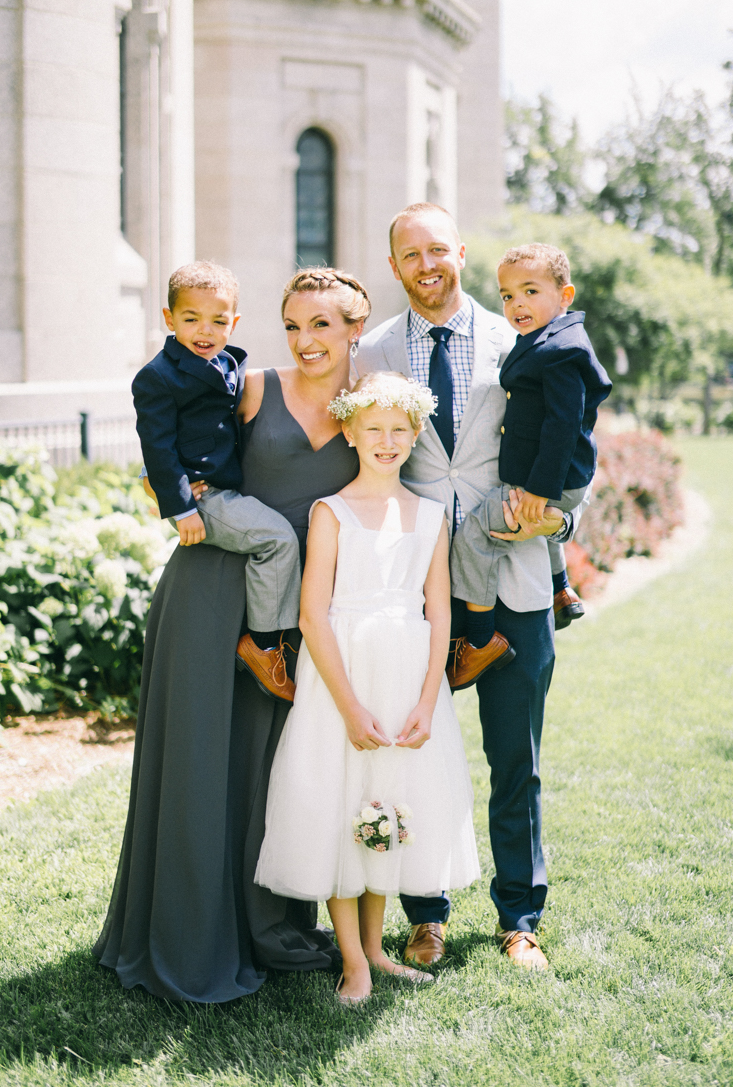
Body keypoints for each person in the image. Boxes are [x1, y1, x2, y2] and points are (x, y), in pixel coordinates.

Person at [94, 267, 368, 1002]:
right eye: (292, 325)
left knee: (278, 767)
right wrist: (176, 491)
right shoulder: (248, 384)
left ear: (353, 331)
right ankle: (191, 933)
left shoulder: (367, 399)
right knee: (203, 763)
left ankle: (272, 924)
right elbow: (173, 445)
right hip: (214, 591)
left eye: (321, 325)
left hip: (303, 609)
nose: (305, 341)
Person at [354, 203, 588, 971]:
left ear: (459, 250)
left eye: (437, 249)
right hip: (412, 590)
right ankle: (427, 914)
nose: (425, 265)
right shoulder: (375, 351)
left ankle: (520, 916)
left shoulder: (521, 331)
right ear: (394, 268)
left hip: (512, 578)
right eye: (408, 255)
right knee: (414, 755)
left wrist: (554, 522)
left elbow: (570, 430)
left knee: (515, 757)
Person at [255, 372, 480, 1003]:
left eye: (398, 430)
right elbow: (312, 616)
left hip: (407, 677)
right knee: (339, 802)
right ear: (350, 432)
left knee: (390, 803)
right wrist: (348, 706)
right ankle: (352, 958)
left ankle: (379, 950)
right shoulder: (330, 514)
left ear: (414, 436)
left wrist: (428, 702)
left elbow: (440, 613)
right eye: (373, 429)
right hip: (342, 681)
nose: (386, 441)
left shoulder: (431, 516)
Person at [132, 260, 301, 701]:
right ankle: (264, 646)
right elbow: (157, 446)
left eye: (218, 320)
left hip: (226, 485)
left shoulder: (228, 363)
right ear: (169, 319)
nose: (204, 330)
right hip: (200, 497)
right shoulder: (156, 378)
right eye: (191, 319)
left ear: (234, 322)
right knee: (278, 540)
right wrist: (182, 506)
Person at [450, 242, 612, 669]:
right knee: (525, 525)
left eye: (530, 291)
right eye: (507, 295)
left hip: (552, 482)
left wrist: (540, 491)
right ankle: (561, 588)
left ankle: (480, 639)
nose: (517, 303)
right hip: (546, 477)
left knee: (472, 538)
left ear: (565, 295)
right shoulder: (542, 337)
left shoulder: (562, 351)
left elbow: (563, 426)